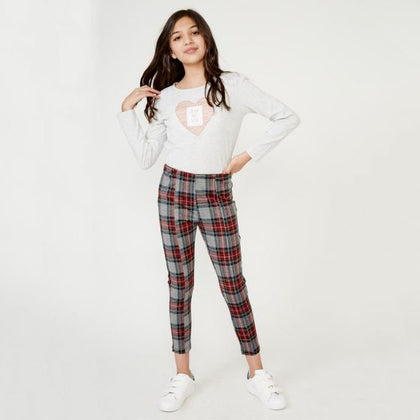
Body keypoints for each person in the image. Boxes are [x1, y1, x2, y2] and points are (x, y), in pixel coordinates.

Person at [116, 8, 300, 413]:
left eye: (194, 32)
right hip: (173, 192)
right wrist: (127, 111)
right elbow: (146, 156)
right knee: (179, 284)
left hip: (216, 192)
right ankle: (182, 374)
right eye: (178, 37)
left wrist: (246, 157)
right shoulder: (165, 98)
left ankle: (257, 374)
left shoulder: (232, 86)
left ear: (206, 39)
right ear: (170, 50)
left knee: (232, 282)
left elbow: (287, 116)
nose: (188, 40)